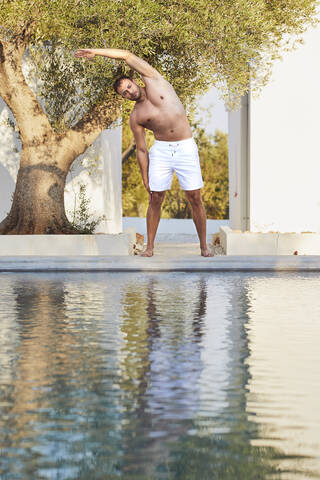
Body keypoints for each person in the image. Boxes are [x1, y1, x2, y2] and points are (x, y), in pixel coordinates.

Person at [74, 48, 214, 257]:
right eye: (125, 93)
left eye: (129, 86)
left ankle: (204, 247)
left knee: (195, 197)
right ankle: (150, 247)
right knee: (155, 198)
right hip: (162, 150)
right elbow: (141, 149)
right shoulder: (136, 116)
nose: (130, 92)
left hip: (185, 146)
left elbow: (126, 55)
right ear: (124, 97)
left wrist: (96, 52)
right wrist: (144, 176)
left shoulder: (154, 79)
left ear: (134, 80)